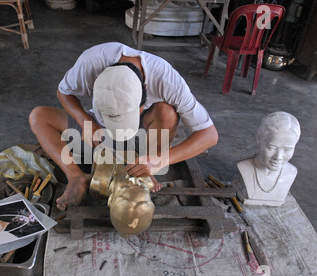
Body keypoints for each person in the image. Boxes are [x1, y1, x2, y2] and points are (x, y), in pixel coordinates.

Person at [29, 42, 218, 211]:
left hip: (141, 134)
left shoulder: (167, 80)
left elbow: (209, 135)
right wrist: (85, 122)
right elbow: (63, 92)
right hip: (98, 129)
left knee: (167, 111)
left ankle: (148, 165)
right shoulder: (91, 62)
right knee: (39, 116)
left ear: (142, 103)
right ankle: (76, 177)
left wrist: (159, 160)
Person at [236, 111, 301, 206]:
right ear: (259, 139)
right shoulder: (244, 167)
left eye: (287, 149)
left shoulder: (291, 172)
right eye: (272, 148)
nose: (278, 157)